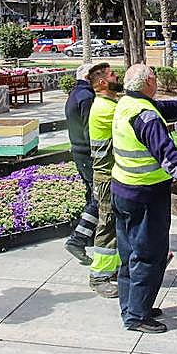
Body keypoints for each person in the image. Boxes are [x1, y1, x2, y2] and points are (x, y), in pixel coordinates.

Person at [111, 64, 177, 333]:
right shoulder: (146, 116)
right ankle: (137, 316)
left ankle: (134, 305)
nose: (157, 82)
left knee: (129, 254)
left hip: (123, 191)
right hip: (145, 196)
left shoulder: (128, 103)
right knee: (149, 255)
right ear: (149, 82)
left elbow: (162, 108)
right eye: (155, 78)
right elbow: (168, 158)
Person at [86, 61, 123, 297]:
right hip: (106, 177)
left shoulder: (110, 103)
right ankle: (99, 276)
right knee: (107, 225)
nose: (116, 76)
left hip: (112, 175)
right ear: (101, 83)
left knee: (117, 224)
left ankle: (115, 268)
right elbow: (137, 126)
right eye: (112, 74)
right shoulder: (105, 108)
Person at [64, 61, 100, 265]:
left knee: (92, 195)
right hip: (88, 155)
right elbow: (90, 131)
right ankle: (77, 240)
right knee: (99, 197)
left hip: (79, 153)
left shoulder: (75, 94)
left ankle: (90, 235)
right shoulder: (87, 97)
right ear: (88, 77)